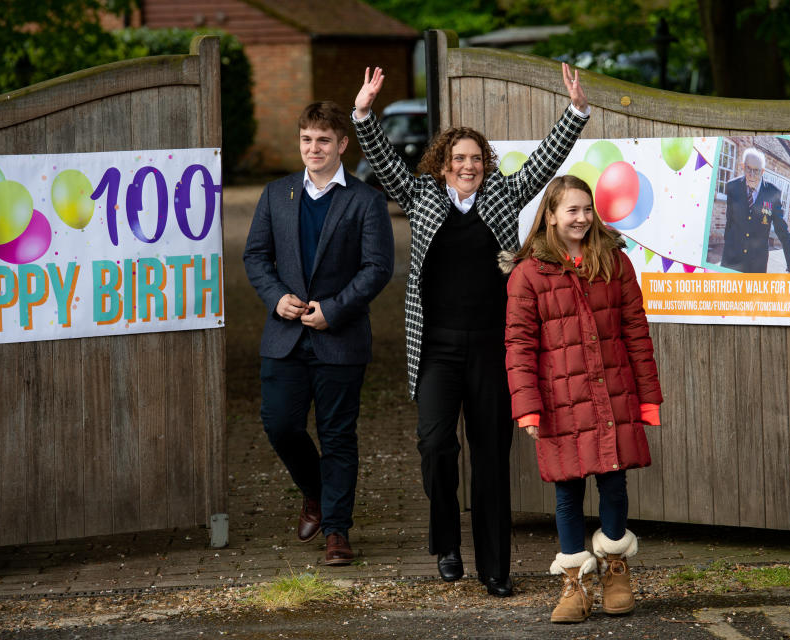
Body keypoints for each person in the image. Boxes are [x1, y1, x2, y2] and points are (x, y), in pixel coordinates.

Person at [352, 64, 589, 597]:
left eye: (475, 159)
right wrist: (363, 113)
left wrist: (574, 113)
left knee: (489, 457)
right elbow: (386, 163)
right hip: (435, 348)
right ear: (443, 163)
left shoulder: (504, 195)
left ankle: (495, 568)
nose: (467, 166)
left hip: (490, 349)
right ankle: (448, 545)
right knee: (436, 446)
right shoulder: (422, 197)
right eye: (458, 158)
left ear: (485, 165)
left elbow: (544, 162)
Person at [502, 175, 662, 623]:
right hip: (559, 402)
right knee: (567, 493)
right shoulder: (528, 274)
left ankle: (615, 569)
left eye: (587, 209)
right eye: (571, 210)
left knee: (614, 484)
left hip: (612, 397)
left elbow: (636, 333)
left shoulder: (614, 263)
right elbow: (518, 344)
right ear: (550, 216)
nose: (582, 218)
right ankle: (573, 582)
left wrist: (648, 398)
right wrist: (527, 405)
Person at [243, 101, 394, 566]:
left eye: (324, 140)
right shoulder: (276, 194)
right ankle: (314, 491)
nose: (314, 148)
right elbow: (255, 256)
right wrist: (275, 297)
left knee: (338, 436)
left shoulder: (365, 200)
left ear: (342, 145)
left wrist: (335, 309)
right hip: (284, 334)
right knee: (280, 424)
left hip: (339, 337)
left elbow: (378, 268)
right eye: (307, 139)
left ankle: (336, 532)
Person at [720, 148, 790, 273]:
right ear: (742, 166)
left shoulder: (773, 193)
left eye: (756, 171)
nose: (751, 175)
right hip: (731, 260)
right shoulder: (732, 186)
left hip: (757, 264)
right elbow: (730, 221)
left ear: (762, 171)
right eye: (748, 168)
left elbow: (782, 230)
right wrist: (727, 247)